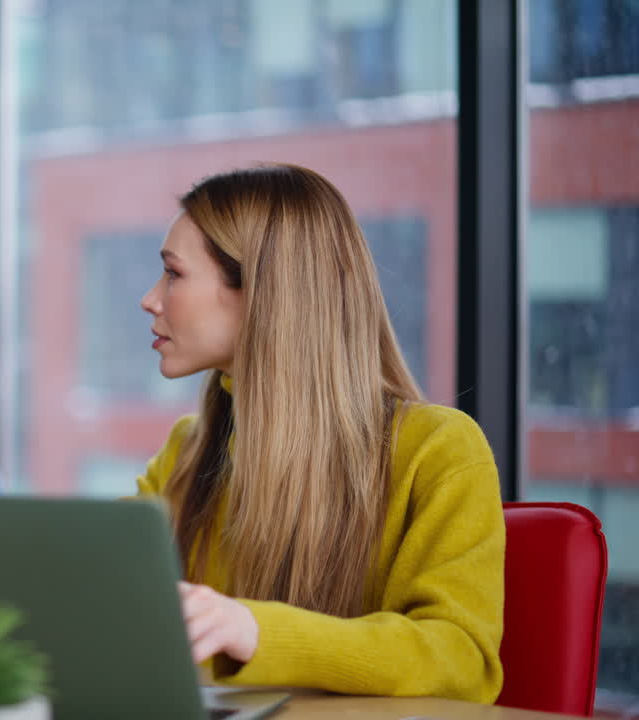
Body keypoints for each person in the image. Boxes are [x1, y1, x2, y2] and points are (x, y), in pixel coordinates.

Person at [138, 164, 504, 702]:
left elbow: (460, 658)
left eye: (173, 273)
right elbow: (108, 587)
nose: (151, 298)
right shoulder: (186, 453)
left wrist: (256, 632)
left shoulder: (437, 449)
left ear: (261, 291)